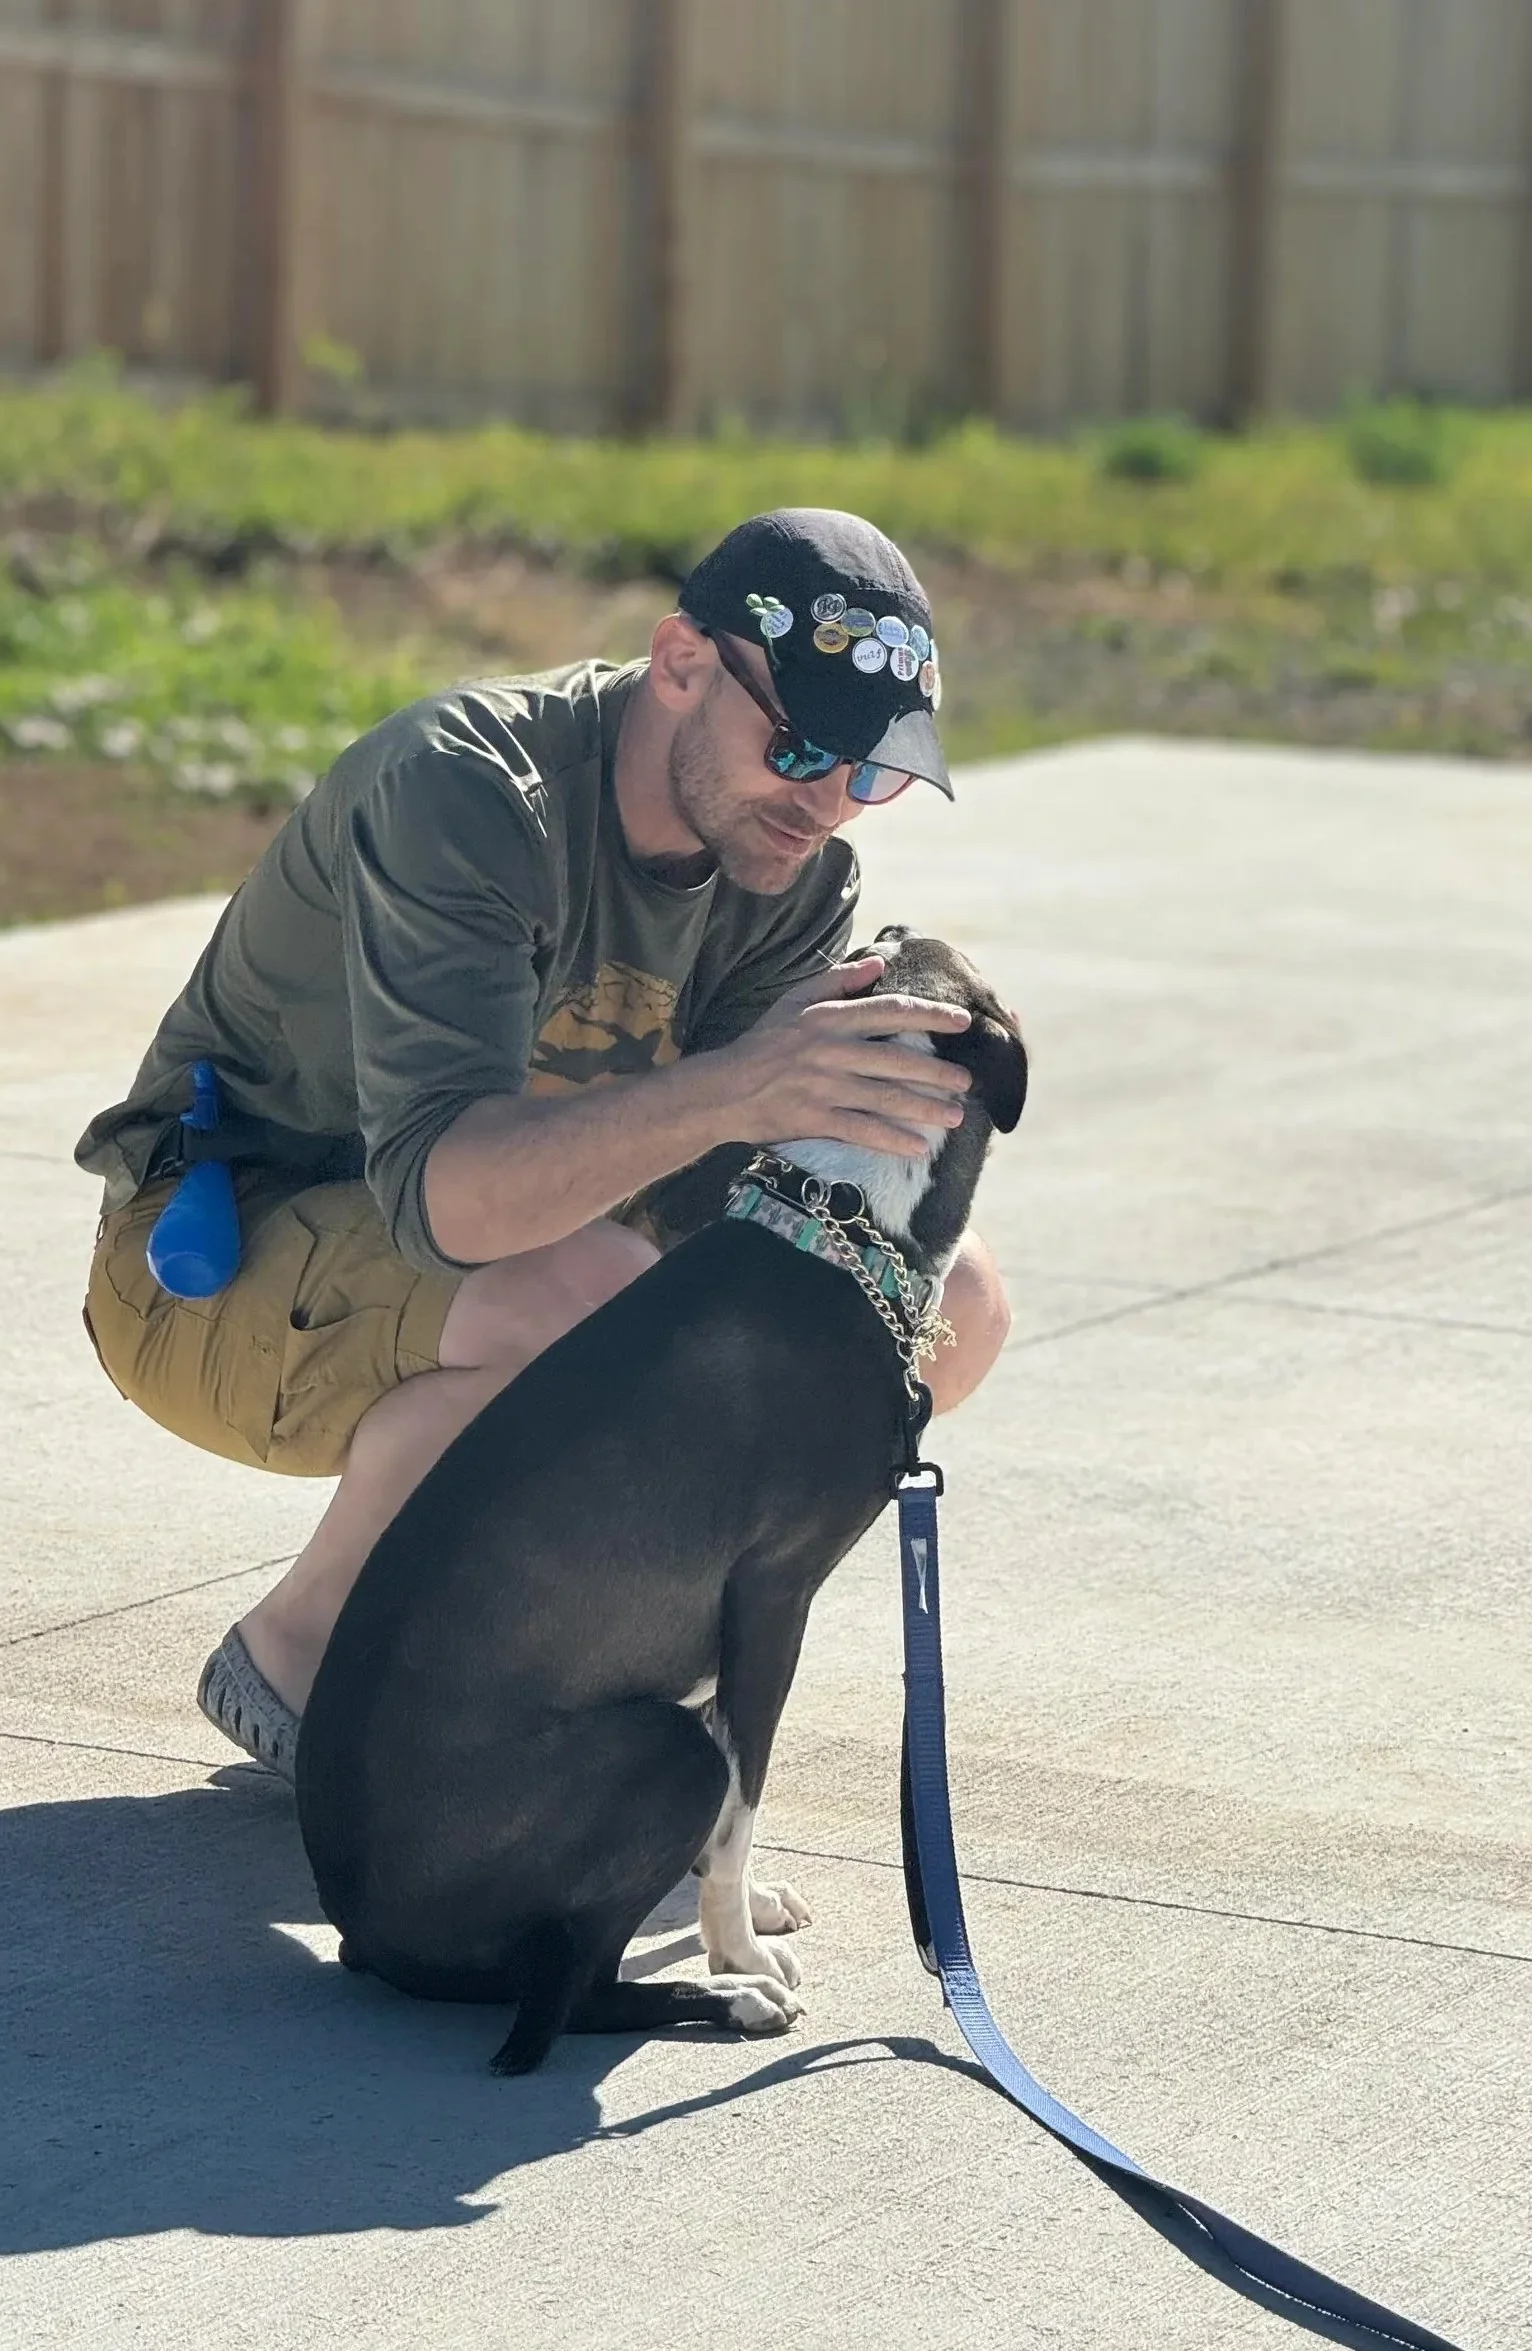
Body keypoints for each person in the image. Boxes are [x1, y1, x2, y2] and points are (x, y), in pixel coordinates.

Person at [75, 508, 1012, 1778]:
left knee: (941, 1304)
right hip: (215, 1257)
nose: (827, 806)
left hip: (501, 1264)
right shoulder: (465, 793)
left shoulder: (788, 870)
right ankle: (301, 1657)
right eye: (800, 746)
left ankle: (612, 1678)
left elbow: (732, 1202)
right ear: (680, 664)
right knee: (595, 1299)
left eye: (873, 773)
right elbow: (452, 1203)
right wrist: (741, 1087)